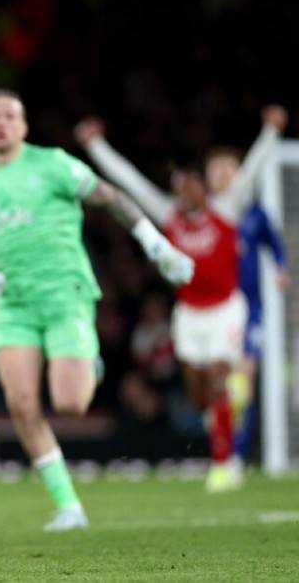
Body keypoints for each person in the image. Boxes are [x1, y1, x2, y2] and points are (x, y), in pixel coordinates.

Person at [0, 90, 193, 531]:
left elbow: (111, 198)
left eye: (10, 116)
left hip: (66, 294)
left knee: (70, 403)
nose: (2, 123)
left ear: (23, 126)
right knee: (22, 404)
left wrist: (157, 245)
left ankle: (90, 364)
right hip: (13, 304)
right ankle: (68, 505)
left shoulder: (53, 164)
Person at [75, 104, 287, 492]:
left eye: (189, 185)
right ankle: (223, 412)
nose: (182, 192)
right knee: (197, 394)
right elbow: (131, 182)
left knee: (220, 381)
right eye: (178, 186)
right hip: (189, 314)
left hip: (226, 310)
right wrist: (96, 146)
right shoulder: (169, 216)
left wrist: (271, 132)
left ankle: (224, 464)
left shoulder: (226, 210)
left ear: (203, 188)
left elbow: (253, 169)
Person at [205, 146, 289, 466]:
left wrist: (281, 267)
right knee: (219, 385)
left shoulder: (255, 213)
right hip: (214, 309)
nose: (223, 175)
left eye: (229, 168)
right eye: (216, 169)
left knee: (244, 380)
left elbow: (275, 244)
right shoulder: (206, 216)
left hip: (250, 307)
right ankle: (222, 449)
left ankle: (236, 455)